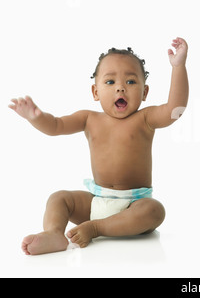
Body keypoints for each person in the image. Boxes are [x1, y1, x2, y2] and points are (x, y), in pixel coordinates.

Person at [8, 37, 189, 255]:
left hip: (134, 206)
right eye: (110, 82)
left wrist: (178, 67)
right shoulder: (88, 119)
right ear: (95, 92)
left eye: (131, 82)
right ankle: (55, 233)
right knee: (58, 198)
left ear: (145, 92)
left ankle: (95, 228)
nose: (120, 88)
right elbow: (55, 126)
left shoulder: (146, 118)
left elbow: (174, 109)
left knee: (155, 210)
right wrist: (35, 118)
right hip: (97, 201)